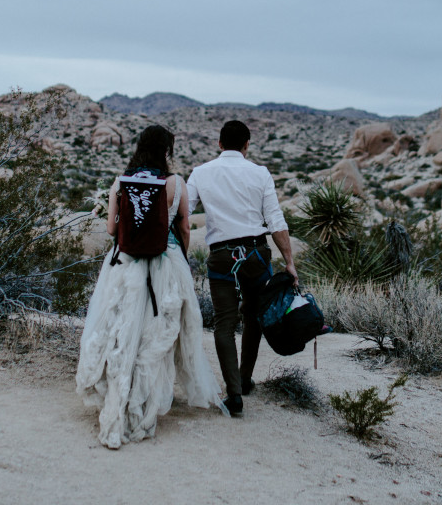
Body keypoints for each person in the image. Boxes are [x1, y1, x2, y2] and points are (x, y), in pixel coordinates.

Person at [76, 125, 224, 448]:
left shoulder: (121, 181)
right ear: (165, 151)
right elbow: (184, 227)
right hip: (165, 262)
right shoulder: (175, 184)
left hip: (125, 265)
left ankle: (116, 398)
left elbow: (111, 229)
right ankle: (144, 404)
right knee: (155, 336)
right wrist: (180, 258)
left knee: (120, 329)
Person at [187, 119, 297, 417]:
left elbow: (182, 214)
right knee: (253, 316)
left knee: (223, 322)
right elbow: (275, 220)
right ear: (247, 145)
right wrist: (289, 261)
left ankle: (234, 394)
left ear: (219, 144)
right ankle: (245, 378)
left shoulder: (200, 173)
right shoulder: (259, 173)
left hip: (222, 255)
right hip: (256, 255)